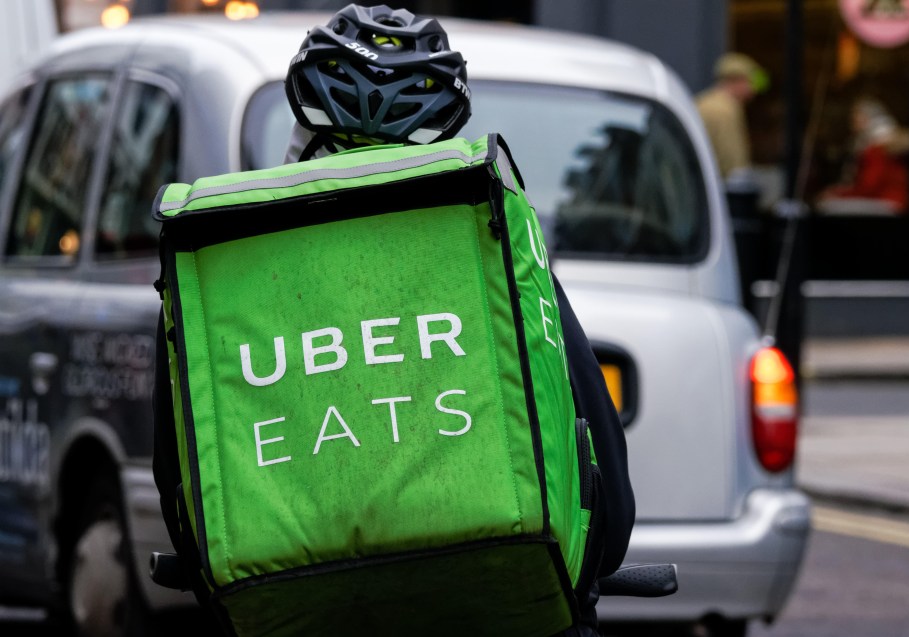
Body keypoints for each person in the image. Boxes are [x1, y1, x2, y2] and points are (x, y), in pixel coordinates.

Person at [154, 5, 634, 636]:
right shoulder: (492, 235)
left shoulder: (221, 255)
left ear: (305, 129)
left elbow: (181, 483)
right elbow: (607, 493)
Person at [817, 97, 909, 215]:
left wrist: (841, 193)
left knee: (827, 206)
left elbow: (870, 185)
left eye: (857, 117)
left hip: (888, 200)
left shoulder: (877, 148)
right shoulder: (875, 146)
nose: (853, 122)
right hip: (889, 199)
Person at [695, 52, 769, 181]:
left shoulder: (704, 101)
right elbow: (733, 163)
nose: (753, 91)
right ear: (737, 81)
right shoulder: (725, 109)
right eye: (750, 83)